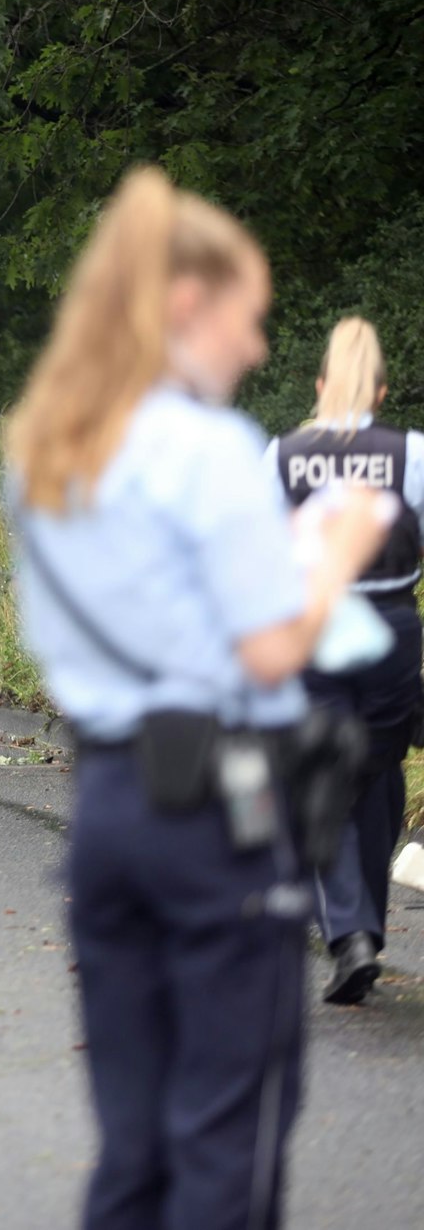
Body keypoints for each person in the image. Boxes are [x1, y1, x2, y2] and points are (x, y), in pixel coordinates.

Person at [3, 166, 388, 1230]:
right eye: (248, 318)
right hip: (222, 808)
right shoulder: (204, 448)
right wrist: (333, 551)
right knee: (229, 1133)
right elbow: (268, 649)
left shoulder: (44, 444)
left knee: (131, 1145)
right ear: (184, 307)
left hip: (112, 811)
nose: (259, 349)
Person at [265, 316, 424, 1005]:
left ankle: (353, 933)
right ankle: (361, 928)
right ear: (382, 390)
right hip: (391, 631)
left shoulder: (282, 454)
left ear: (322, 383)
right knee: (376, 773)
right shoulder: (411, 453)